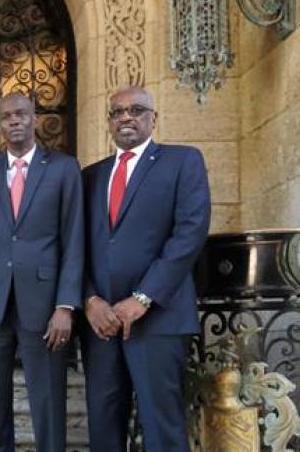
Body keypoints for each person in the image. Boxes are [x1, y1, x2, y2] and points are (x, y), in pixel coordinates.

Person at [80, 86, 210, 452]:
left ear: (154, 118)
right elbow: (77, 246)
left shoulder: (183, 161)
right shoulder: (90, 176)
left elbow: (190, 233)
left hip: (159, 317)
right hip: (101, 323)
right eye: (117, 111)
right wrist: (90, 299)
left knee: (161, 423)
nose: (126, 117)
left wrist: (143, 297)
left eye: (137, 110)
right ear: (108, 121)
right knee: (104, 424)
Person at [0, 93, 83, 452]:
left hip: (44, 305)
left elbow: (74, 240)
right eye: (7, 115)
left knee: (48, 400)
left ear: (34, 118)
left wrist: (66, 305)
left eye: (21, 114)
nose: (15, 120)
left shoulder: (63, 168)